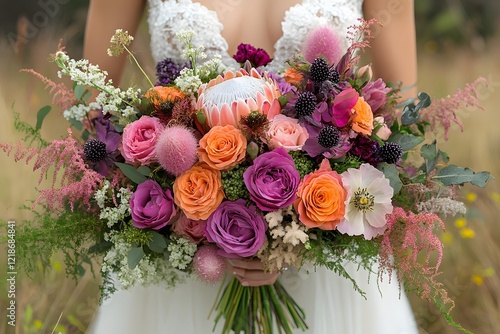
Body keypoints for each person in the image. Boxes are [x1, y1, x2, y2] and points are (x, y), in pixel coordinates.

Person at [85, 1, 419, 333]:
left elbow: (399, 115)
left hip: (328, 263)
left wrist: (296, 236)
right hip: (187, 264)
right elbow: (94, 108)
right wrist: (189, 222)